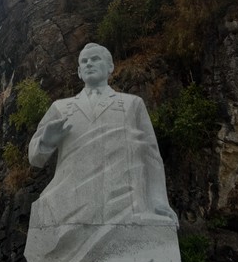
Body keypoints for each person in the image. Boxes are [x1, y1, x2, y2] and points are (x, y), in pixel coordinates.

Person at [28, 42, 178, 228]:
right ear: (79, 72)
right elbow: (34, 157)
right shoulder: (60, 107)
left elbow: (151, 156)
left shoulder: (132, 104)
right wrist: (46, 141)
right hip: (69, 201)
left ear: (110, 67)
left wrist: (158, 201)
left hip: (122, 201)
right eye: (84, 61)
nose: (89, 63)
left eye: (95, 59)